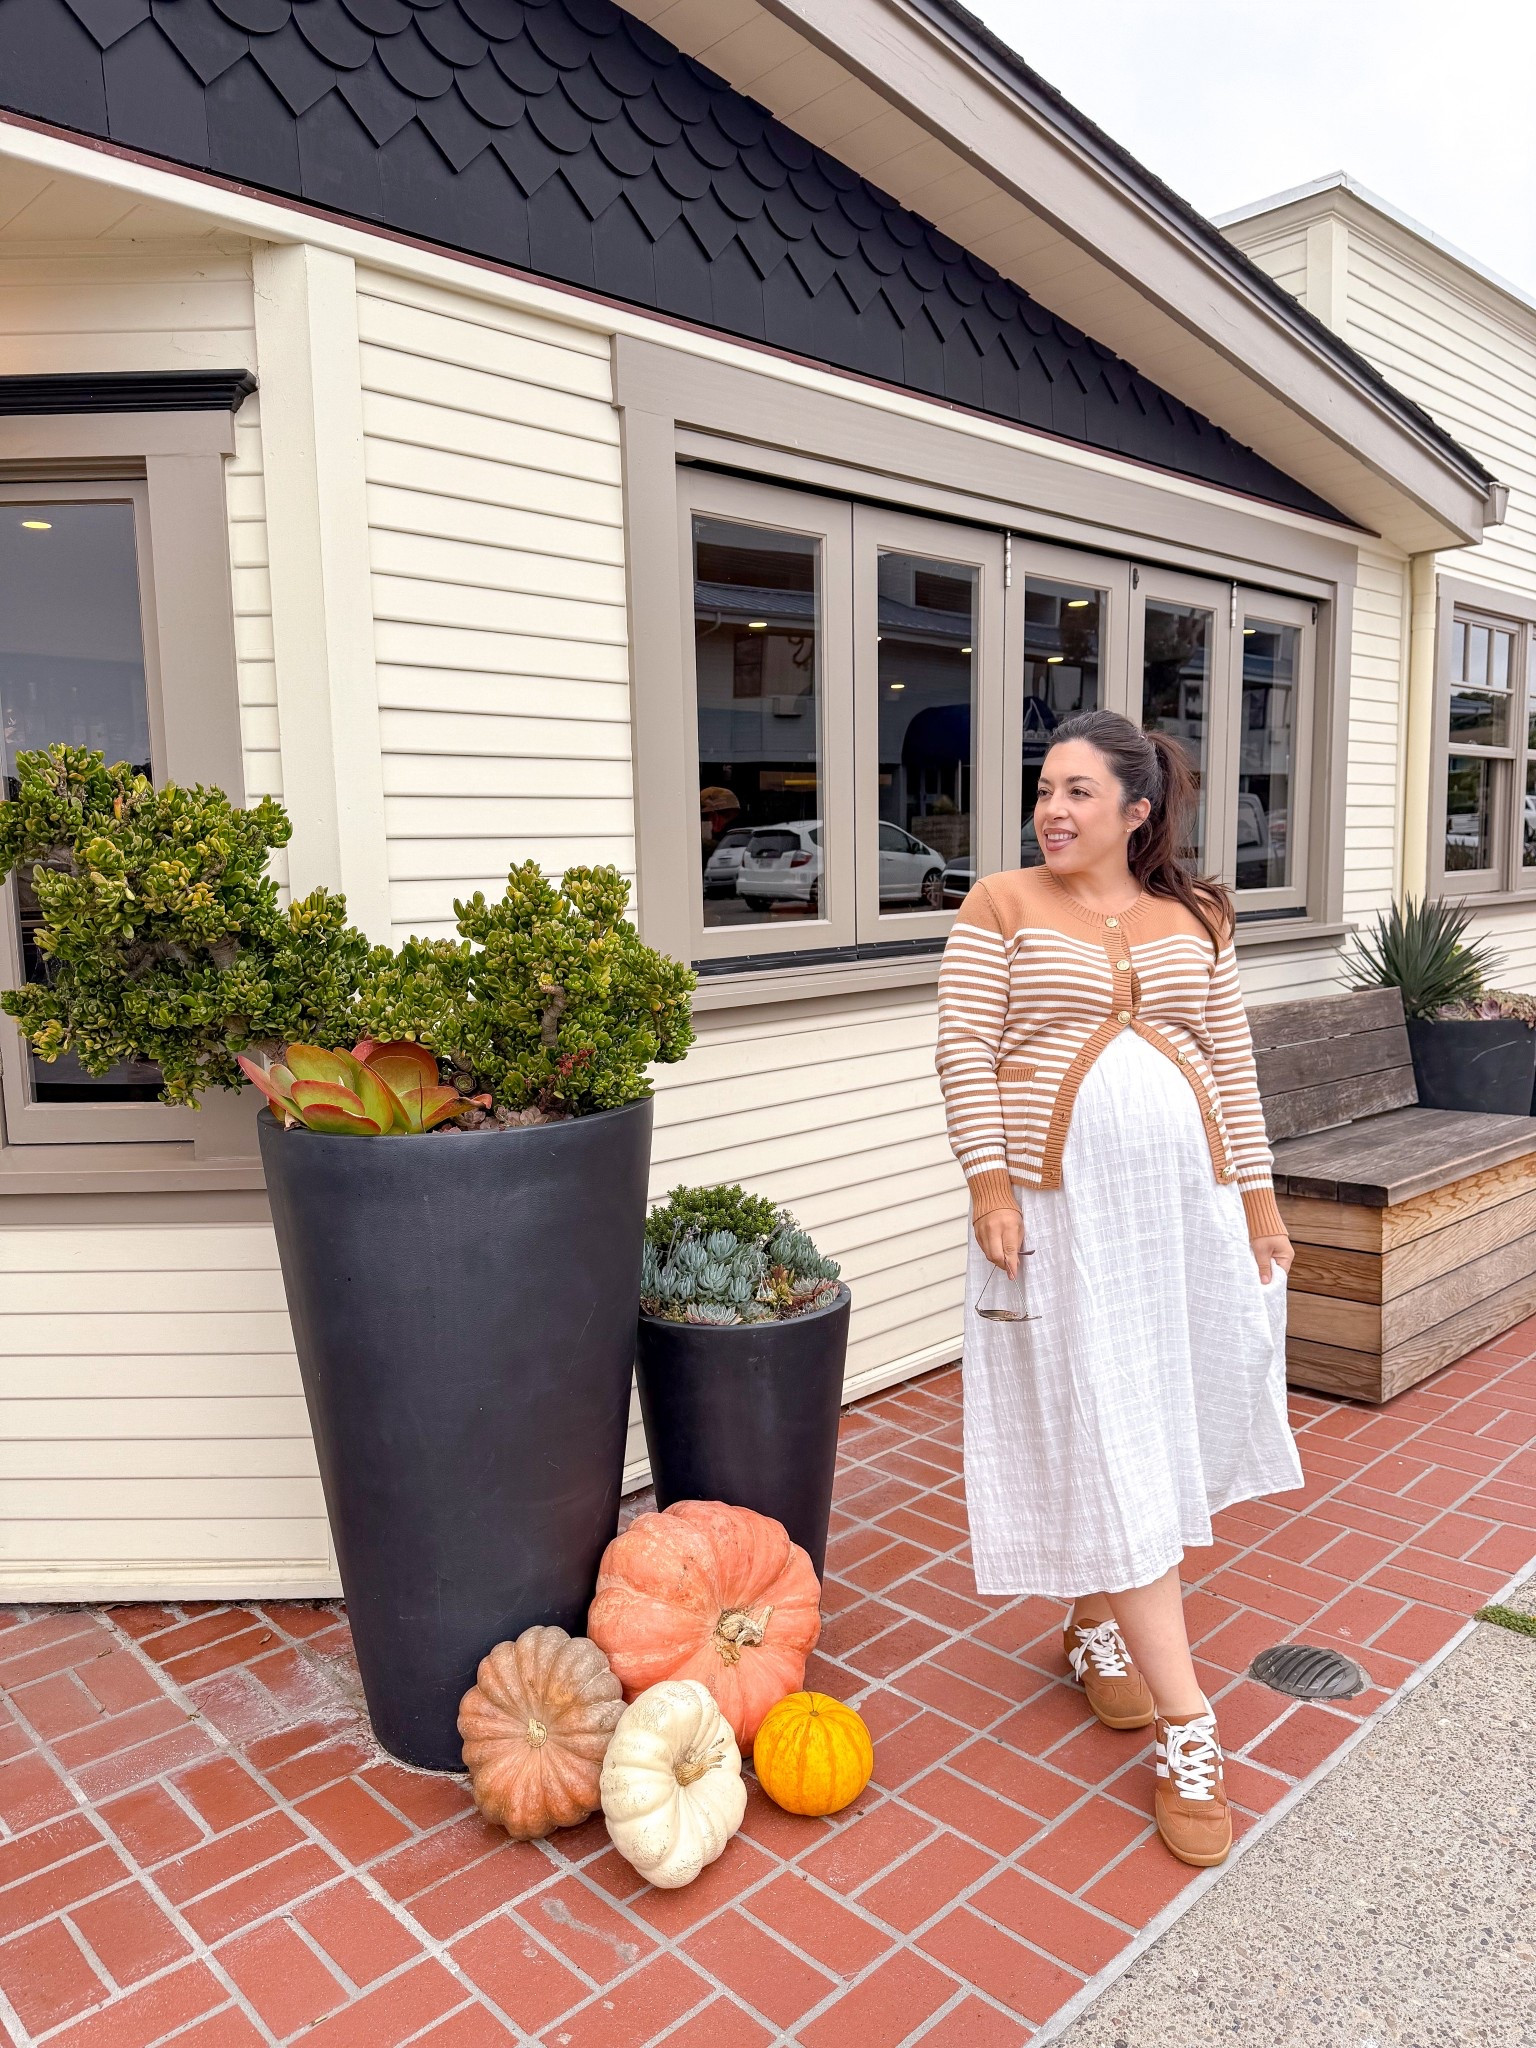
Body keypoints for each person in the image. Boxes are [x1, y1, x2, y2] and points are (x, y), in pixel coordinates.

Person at [934, 709, 1302, 1868]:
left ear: (1138, 811)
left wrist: (1259, 1198)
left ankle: (1095, 1623)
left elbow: (1228, 1054)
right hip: (1059, 1217)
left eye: (1080, 791)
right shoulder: (998, 904)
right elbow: (963, 1046)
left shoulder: (1197, 915)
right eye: (1046, 787)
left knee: (1147, 1419)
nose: (1053, 809)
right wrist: (991, 1186)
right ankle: (1190, 1723)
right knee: (1112, 1428)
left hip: (1180, 1219)